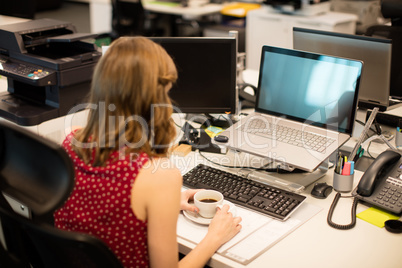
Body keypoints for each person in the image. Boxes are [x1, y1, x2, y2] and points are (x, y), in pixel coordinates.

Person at [54, 36, 242, 268]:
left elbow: (110, 214)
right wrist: (215, 237)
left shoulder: (71, 142)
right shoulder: (159, 176)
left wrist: (165, 202)